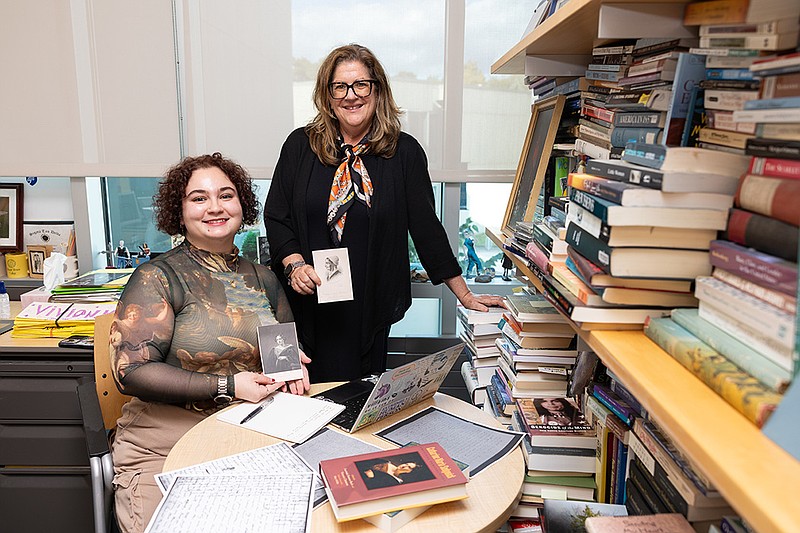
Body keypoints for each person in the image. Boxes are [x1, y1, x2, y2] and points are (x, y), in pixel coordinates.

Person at [265, 43, 503, 383]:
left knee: (357, 401)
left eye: (361, 84)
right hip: (305, 301)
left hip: (367, 304)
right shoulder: (299, 146)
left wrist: (463, 294)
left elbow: (426, 228)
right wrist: (294, 264)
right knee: (303, 399)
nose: (351, 96)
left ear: (377, 90)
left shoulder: (403, 153)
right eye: (340, 87)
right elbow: (276, 216)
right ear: (327, 95)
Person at [109, 153, 310, 533]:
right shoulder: (156, 277)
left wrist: (288, 365)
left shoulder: (263, 278)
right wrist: (230, 386)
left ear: (242, 206)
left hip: (244, 435)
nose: (215, 207)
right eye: (199, 198)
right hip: (163, 441)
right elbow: (131, 373)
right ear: (179, 212)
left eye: (226, 195)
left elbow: (280, 348)